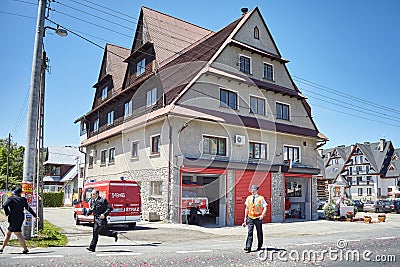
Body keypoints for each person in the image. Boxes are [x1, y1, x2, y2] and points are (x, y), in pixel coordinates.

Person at [0, 187, 39, 254]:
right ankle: (2, 248)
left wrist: (7, 213)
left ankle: (25, 249)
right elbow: (29, 208)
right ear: (20, 193)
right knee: (9, 233)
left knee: (18, 233)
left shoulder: (11, 199)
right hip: (20, 217)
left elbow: (4, 205)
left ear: (14, 193)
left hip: (13, 217)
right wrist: (35, 216)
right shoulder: (23, 200)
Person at [243, 184, 267, 253]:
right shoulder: (249, 198)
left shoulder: (261, 198)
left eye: (254, 191)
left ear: (257, 191)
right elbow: (247, 208)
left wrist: (262, 215)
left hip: (258, 217)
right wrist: (245, 218)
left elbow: (265, 207)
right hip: (250, 217)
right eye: (251, 191)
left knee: (259, 232)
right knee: (250, 232)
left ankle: (259, 245)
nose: (252, 192)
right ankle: (248, 247)